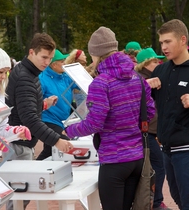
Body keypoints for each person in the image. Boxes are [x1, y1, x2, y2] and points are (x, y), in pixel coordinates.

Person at [65, 26, 155, 210]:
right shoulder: (137, 78)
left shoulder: (101, 82)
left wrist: (69, 130)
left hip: (114, 160)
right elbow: (150, 112)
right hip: (137, 157)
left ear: (96, 54)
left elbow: (94, 123)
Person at [4, 33, 74, 209]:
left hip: (20, 143)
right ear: (31, 52)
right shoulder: (25, 77)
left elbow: (23, 107)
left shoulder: (29, 73)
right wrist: (56, 140)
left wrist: (43, 104)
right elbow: (29, 118)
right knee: (18, 200)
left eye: (50, 58)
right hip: (18, 145)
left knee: (20, 199)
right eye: (44, 57)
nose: (47, 62)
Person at [147, 19, 189, 210]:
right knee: (179, 199)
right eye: (161, 42)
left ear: (182, 40)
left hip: (187, 150)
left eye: (168, 41)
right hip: (167, 150)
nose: (163, 47)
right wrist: (145, 88)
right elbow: (142, 104)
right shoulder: (160, 70)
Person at [135, 48, 171, 210]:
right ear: (146, 63)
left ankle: (153, 202)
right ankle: (156, 203)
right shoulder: (142, 80)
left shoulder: (151, 78)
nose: (159, 63)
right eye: (155, 61)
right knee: (159, 166)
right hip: (145, 133)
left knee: (154, 167)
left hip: (151, 132)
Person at [36, 49, 78, 160]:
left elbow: (79, 84)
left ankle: (38, 167)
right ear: (53, 65)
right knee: (61, 143)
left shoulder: (65, 76)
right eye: (62, 61)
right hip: (49, 119)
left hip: (63, 119)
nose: (64, 63)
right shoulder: (42, 79)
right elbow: (37, 100)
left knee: (49, 150)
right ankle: (37, 169)